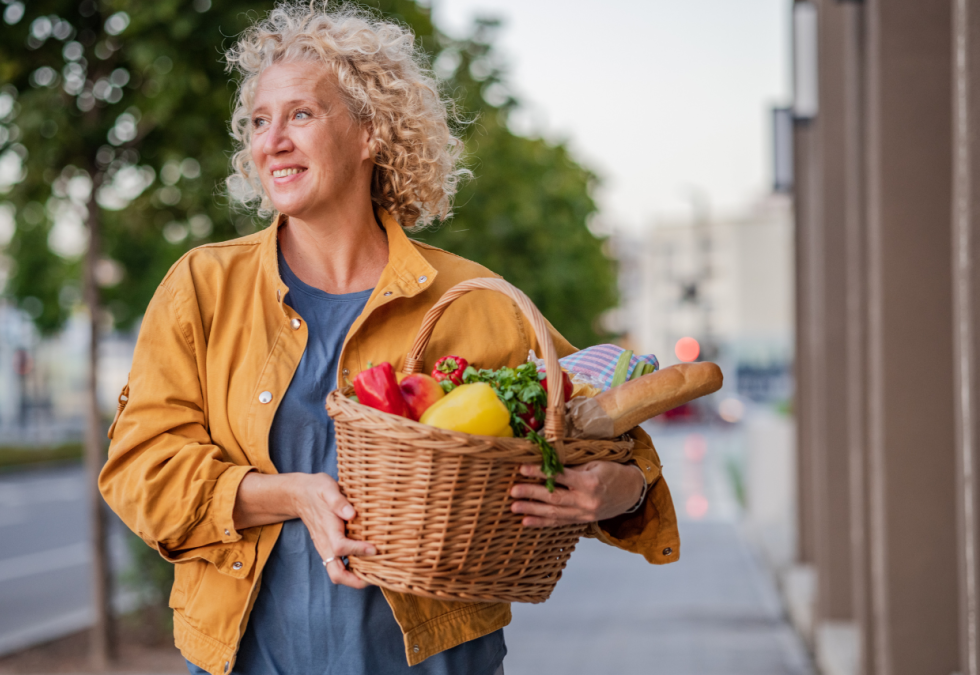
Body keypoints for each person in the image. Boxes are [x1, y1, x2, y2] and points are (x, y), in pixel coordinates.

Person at [98, 4, 679, 675]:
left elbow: (609, 435)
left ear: (370, 132)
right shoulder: (202, 287)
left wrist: (619, 491)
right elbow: (140, 468)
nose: (272, 140)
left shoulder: (474, 301)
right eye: (260, 121)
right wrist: (289, 493)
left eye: (301, 115)